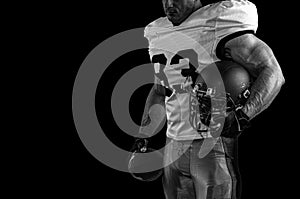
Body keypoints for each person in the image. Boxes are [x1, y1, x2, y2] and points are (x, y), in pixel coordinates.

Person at [135, 0, 285, 198]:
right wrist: (143, 136)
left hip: (212, 144)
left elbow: (273, 72)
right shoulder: (157, 31)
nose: (170, 3)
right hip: (173, 145)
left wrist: (244, 115)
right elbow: (160, 91)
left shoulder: (216, 22)